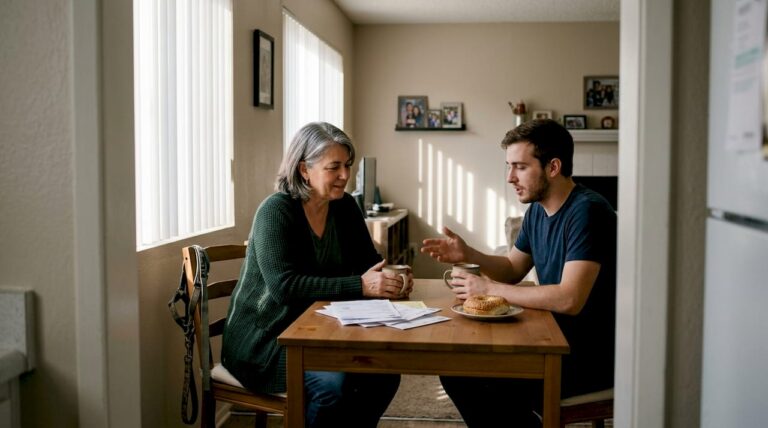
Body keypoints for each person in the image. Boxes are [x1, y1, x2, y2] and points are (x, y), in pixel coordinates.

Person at [421, 119, 616, 427]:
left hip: (587, 356)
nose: (510, 177)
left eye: (520, 167)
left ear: (553, 167)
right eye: (508, 166)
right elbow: (512, 269)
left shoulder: (588, 211)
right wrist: (468, 254)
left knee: (471, 377)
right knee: (458, 366)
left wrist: (490, 288)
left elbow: (570, 299)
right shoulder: (537, 211)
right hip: (551, 337)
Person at [222, 122, 412, 427]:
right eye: (333, 167)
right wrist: (362, 285)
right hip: (268, 341)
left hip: (321, 328)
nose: (345, 175)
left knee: (383, 375)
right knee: (330, 388)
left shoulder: (345, 207)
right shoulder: (276, 211)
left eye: (347, 165)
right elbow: (285, 287)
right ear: (303, 170)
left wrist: (392, 277)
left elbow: (369, 263)